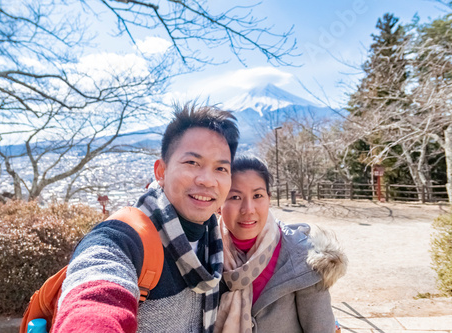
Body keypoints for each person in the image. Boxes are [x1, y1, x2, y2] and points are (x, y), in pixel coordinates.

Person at [52, 103, 239, 333]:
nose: (208, 180)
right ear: (161, 171)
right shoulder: (125, 239)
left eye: (221, 169)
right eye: (192, 162)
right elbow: (94, 298)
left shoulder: (215, 242)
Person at [215, 156, 347, 333]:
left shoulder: (302, 258)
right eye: (235, 197)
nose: (248, 209)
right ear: (218, 203)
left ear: (268, 199)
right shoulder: (204, 254)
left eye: (257, 196)